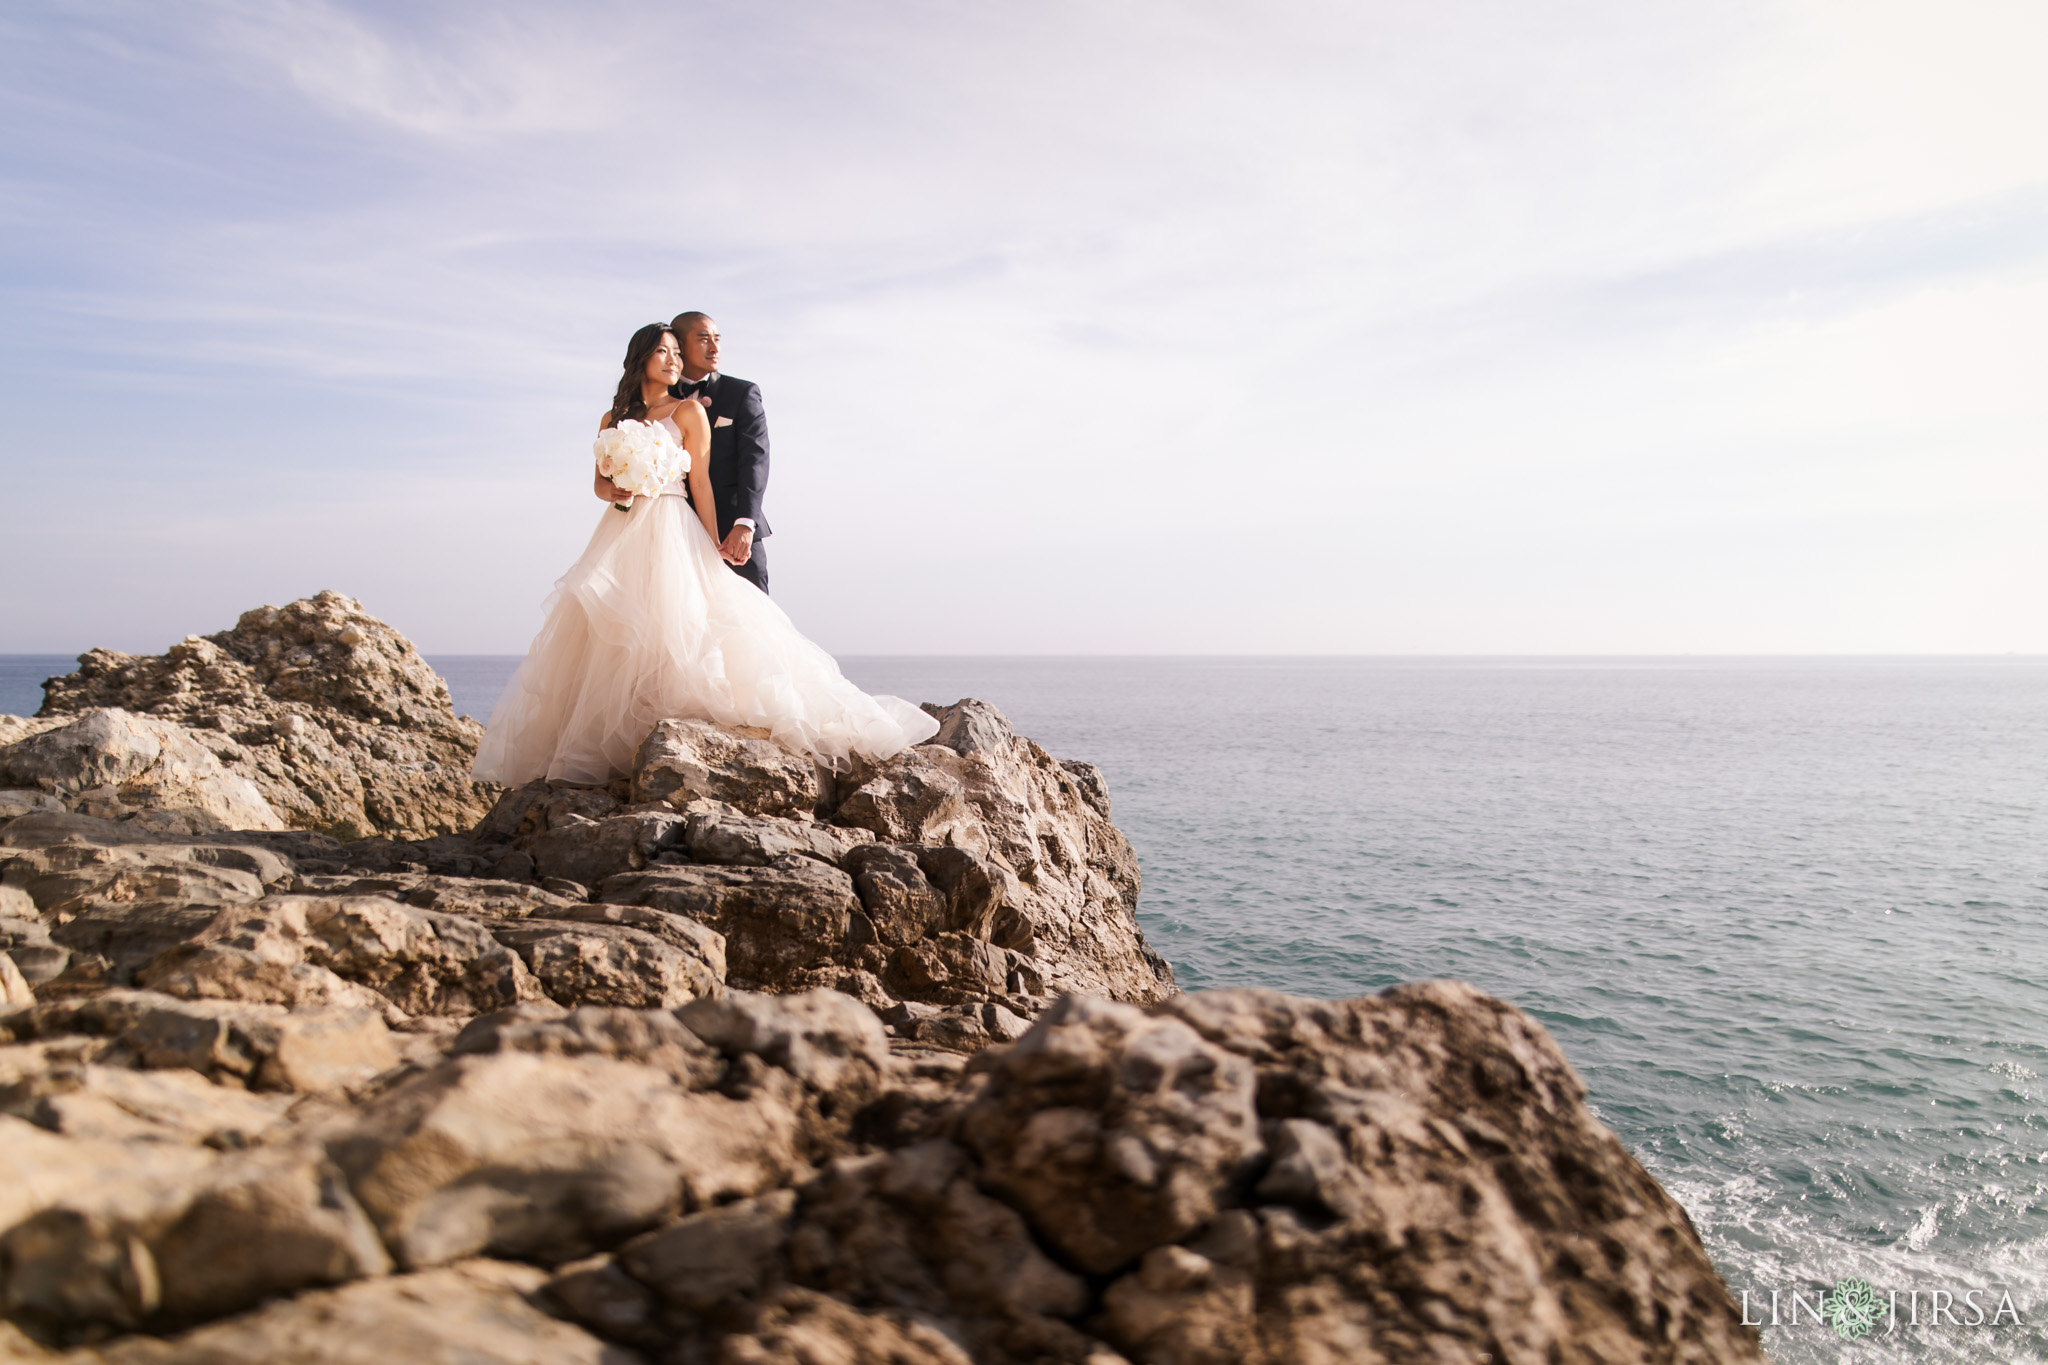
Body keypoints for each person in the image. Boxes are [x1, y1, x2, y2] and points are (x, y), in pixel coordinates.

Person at [471, 322, 936, 785]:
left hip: (675, 522)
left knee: (684, 618)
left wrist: (713, 544)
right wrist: (624, 487)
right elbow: (599, 484)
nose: (673, 360)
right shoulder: (612, 419)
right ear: (641, 359)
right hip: (623, 526)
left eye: (677, 352)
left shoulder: (690, 411)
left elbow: (702, 486)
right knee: (613, 623)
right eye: (664, 352)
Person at [669, 311, 771, 593]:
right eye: (703, 339)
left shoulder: (742, 393)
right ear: (679, 345)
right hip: (674, 532)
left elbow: (755, 461)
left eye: (717, 339)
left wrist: (745, 524)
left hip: (734, 535)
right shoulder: (660, 399)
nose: (714, 348)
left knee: (750, 625)